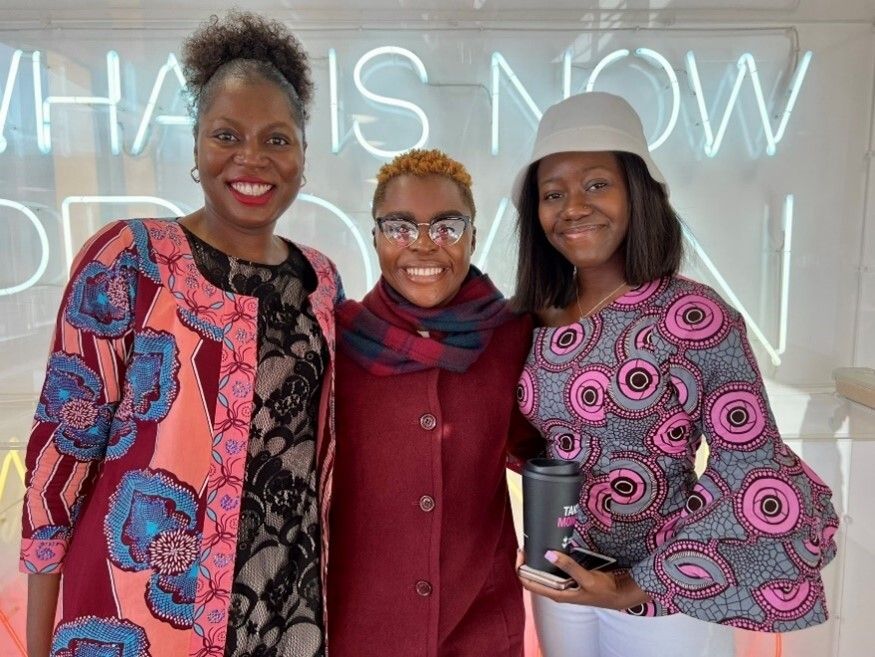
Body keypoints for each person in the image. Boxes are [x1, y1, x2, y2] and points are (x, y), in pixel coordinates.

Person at [20, 11, 342, 657]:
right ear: (196, 146)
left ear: (303, 157)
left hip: (285, 606)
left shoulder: (321, 279)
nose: (251, 157)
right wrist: (35, 640)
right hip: (141, 610)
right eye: (227, 134)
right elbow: (61, 451)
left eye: (277, 139)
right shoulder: (129, 258)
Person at [511, 92, 839, 657]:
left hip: (663, 588)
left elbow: (751, 461)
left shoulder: (694, 315)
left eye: (596, 184)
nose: (573, 206)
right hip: (561, 572)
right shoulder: (532, 318)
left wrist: (637, 583)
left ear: (638, 191)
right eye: (552, 193)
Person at [328, 149, 539, 657]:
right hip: (361, 630)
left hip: (481, 627)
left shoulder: (515, 335)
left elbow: (550, 447)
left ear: (474, 235)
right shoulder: (335, 341)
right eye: (400, 227)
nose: (423, 245)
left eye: (446, 227)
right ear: (375, 235)